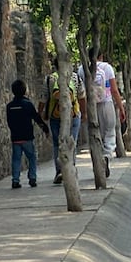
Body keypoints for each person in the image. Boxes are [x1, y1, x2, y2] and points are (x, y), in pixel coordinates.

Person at [38, 54, 86, 184]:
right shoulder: (76, 78)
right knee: (72, 142)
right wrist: (84, 114)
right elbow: (82, 97)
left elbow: (43, 98)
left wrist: (40, 112)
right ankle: (71, 169)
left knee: (56, 144)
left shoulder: (50, 79)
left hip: (55, 116)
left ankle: (59, 170)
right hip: (73, 115)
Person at [6, 79, 49, 189]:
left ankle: (15, 180)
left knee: (16, 159)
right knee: (32, 157)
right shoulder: (28, 104)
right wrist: (45, 129)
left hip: (16, 137)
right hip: (27, 137)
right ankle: (32, 178)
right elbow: (36, 118)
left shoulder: (10, 106)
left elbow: (9, 121)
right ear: (24, 91)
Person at [96, 51, 126, 178]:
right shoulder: (107, 67)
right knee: (109, 133)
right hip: (106, 104)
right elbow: (114, 90)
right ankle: (106, 156)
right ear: (101, 56)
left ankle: (97, 163)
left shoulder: (82, 68)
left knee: (96, 135)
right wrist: (121, 108)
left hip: (91, 105)